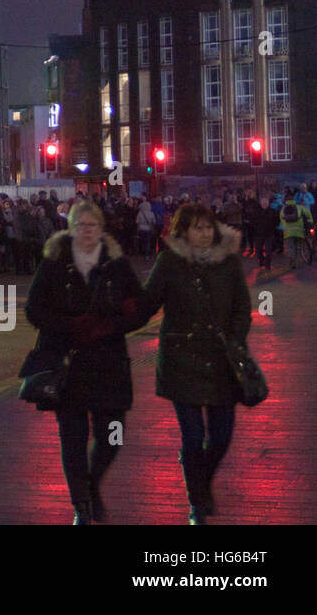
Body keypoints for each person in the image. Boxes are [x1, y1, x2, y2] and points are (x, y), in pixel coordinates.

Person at [22, 201, 144, 524]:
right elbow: (34, 309)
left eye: (92, 226)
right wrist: (70, 326)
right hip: (69, 366)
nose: (86, 232)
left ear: (101, 229)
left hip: (109, 363)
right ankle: (81, 506)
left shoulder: (116, 264)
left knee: (112, 434)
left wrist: (110, 326)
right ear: (70, 228)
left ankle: (91, 484)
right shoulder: (53, 262)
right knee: (72, 438)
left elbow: (138, 307)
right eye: (80, 225)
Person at [139, 203, 251, 524]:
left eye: (208, 227)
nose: (204, 233)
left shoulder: (228, 262)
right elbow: (148, 303)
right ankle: (197, 503)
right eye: (197, 228)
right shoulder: (170, 262)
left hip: (221, 361)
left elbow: (242, 307)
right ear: (183, 231)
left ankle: (199, 477)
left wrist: (235, 338)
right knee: (192, 436)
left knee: (221, 436)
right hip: (181, 360)